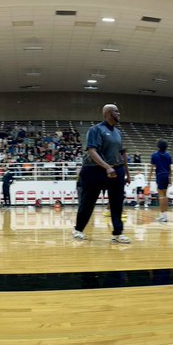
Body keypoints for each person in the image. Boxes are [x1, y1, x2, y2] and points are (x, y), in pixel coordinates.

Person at [72, 104, 130, 244]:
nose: (119, 113)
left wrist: (127, 172)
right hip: (94, 171)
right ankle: (78, 229)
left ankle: (118, 233)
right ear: (108, 113)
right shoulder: (95, 129)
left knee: (117, 203)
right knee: (88, 202)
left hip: (116, 171)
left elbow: (123, 153)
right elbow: (92, 151)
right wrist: (106, 167)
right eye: (116, 111)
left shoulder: (118, 132)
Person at [150, 139, 172, 223]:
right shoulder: (168, 155)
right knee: (165, 196)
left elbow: (152, 168)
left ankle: (162, 216)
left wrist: (149, 178)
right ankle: (165, 216)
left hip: (160, 176)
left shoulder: (154, 155)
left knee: (161, 196)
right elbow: (170, 168)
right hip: (166, 176)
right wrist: (170, 178)